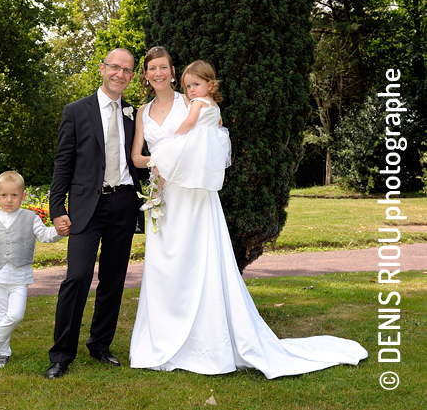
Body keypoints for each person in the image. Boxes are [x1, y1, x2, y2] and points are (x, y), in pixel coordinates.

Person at [129, 47, 368, 379]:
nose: (157, 73)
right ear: (145, 74)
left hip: (194, 196)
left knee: (199, 261)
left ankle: (205, 342)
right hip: (163, 196)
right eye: (151, 68)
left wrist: (175, 158)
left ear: (173, 71)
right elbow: (138, 157)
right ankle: (162, 341)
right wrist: (157, 163)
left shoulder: (193, 101)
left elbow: (211, 139)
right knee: (165, 267)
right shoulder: (141, 111)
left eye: (163, 67)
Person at [45, 48, 146, 379]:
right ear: (103, 69)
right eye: (115, 67)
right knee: (77, 276)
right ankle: (61, 355)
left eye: (128, 70)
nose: (121, 74)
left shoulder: (135, 113)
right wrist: (57, 207)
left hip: (125, 202)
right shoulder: (76, 111)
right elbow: (63, 162)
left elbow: (143, 158)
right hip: (87, 206)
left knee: (114, 279)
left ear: (133, 76)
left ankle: (100, 345)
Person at [0, 170, 68, 369]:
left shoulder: (30, 218)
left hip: (20, 277)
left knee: (15, 315)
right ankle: (3, 353)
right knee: (2, 314)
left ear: (23, 196)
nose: (9, 200)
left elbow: (45, 235)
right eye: (4, 195)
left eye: (14, 195)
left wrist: (59, 232)